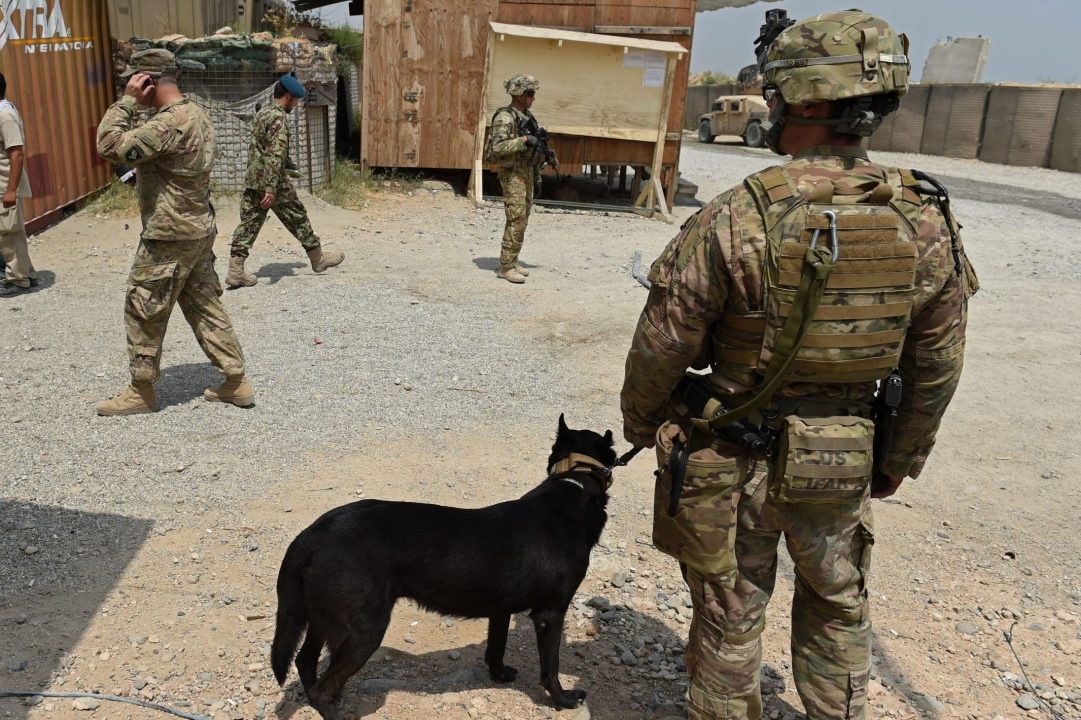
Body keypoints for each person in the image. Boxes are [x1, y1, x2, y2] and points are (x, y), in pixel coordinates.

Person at [621, 10, 978, 720]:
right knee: (838, 606)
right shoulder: (925, 218)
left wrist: (640, 422)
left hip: (730, 458)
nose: (772, 104)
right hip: (840, 461)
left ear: (810, 102)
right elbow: (937, 361)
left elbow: (663, 344)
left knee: (730, 612)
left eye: (778, 92)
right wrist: (897, 458)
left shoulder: (736, 215)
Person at [96, 49, 254, 416]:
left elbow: (108, 145)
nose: (131, 87)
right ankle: (235, 379)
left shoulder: (167, 122)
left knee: (143, 309)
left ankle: (142, 390)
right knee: (204, 303)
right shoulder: (197, 114)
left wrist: (127, 102)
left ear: (147, 81)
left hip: (169, 234)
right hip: (197, 228)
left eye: (134, 82)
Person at [225, 74, 344, 288]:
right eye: (295, 100)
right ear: (288, 96)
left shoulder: (263, 113)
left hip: (254, 178)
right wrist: (271, 188)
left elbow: (263, 148)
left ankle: (235, 271)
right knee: (297, 216)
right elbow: (274, 153)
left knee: (249, 224)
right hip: (273, 181)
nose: (296, 104)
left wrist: (289, 166)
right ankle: (318, 258)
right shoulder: (279, 118)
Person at [485, 74, 555, 284]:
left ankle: (513, 260)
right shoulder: (505, 118)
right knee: (516, 219)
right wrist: (524, 140)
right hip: (512, 173)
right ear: (519, 94)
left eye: (533, 93)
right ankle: (506, 267)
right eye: (530, 93)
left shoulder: (527, 117)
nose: (533, 98)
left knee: (522, 219)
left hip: (526, 172)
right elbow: (497, 147)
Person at [0, 72, 37, 297]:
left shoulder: (4, 115)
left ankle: (18, 279)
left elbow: (16, 153)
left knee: (9, 232)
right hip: (4, 184)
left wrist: (11, 190)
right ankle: (27, 273)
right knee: (12, 231)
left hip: (5, 184)